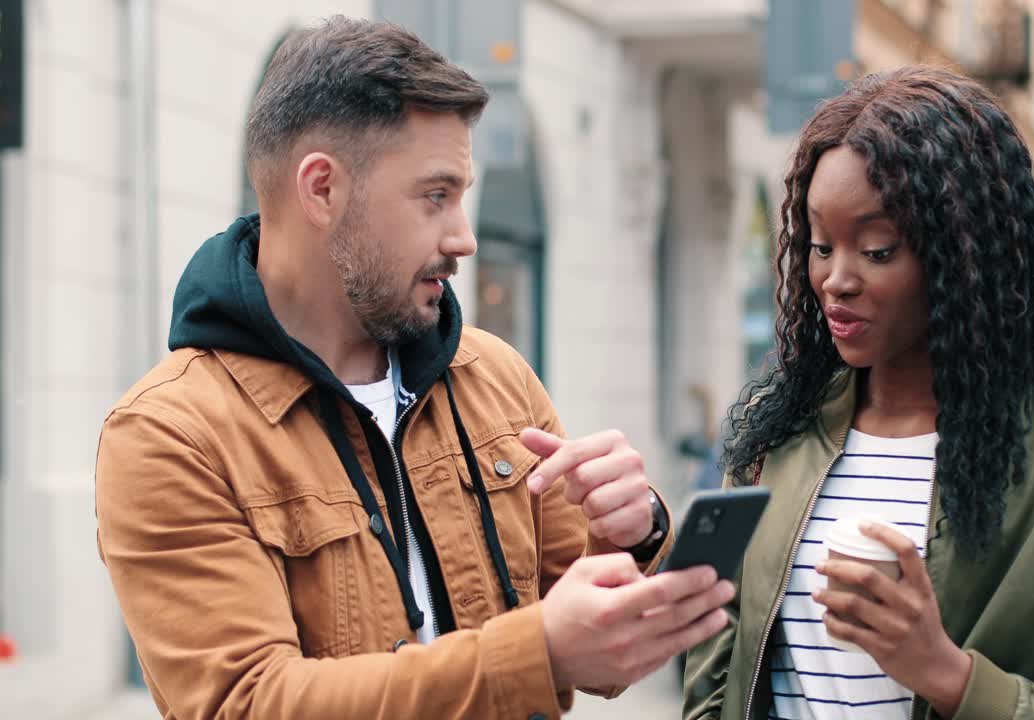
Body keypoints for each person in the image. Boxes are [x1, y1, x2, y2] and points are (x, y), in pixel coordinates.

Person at [95, 17, 733, 720]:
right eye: (436, 196)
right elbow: (246, 704)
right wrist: (538, 652)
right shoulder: (170, 434)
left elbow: (596, 657)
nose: (463, 237)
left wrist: (633, 533)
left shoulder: (495, 375)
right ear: (322, 189)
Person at [683, 66, 1034, 720]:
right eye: (821, 245)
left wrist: (948, 674)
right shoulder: (774, 437)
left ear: (964, 258)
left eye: (877, 250)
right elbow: (717, 664)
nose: (835, 280)